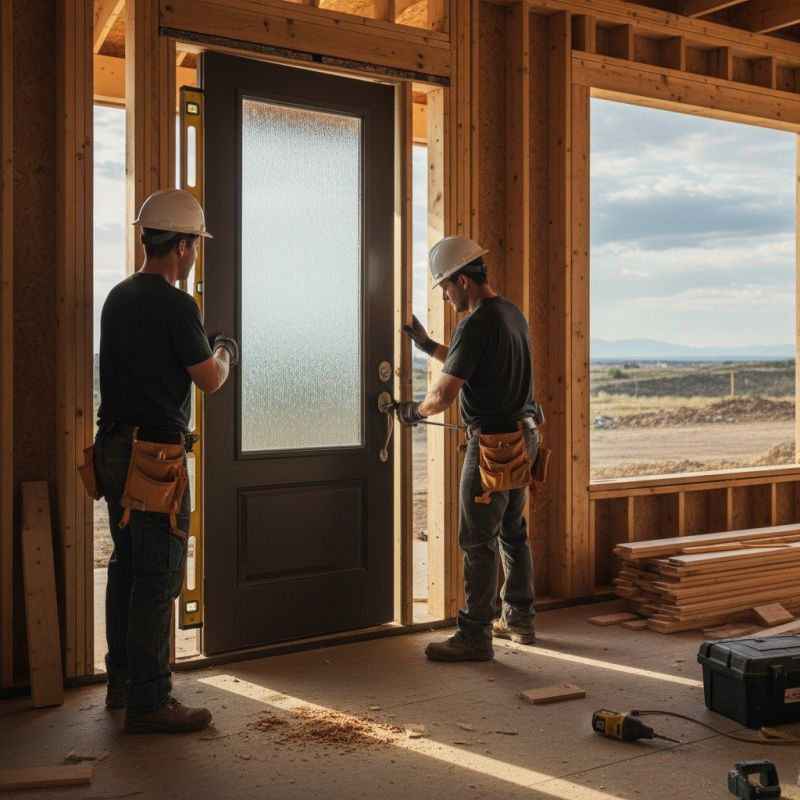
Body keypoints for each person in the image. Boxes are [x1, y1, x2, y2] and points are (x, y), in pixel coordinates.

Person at [94, 189, 238, 732]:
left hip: (112, 448)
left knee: (126, 567)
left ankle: (122, 683)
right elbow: (209, 378)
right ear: (180, 246)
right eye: (194, 245)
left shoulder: (117, 297)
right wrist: (224, 348)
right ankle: (150, 702)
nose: (195, 254)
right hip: (155, 458)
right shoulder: (177, 305)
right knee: (157, 578)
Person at [396, 235, 540, 662]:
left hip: (493, 445)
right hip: (525, 435)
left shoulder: (475, 323)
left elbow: (443, 394)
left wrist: (414, 411)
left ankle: (475, 635)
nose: (445, 295)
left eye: (445, 287)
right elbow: (473, 362)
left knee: (477, 539)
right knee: (513, 532)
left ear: (463, 279)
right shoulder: (510, 313)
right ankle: (518, 617)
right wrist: (427, 346)